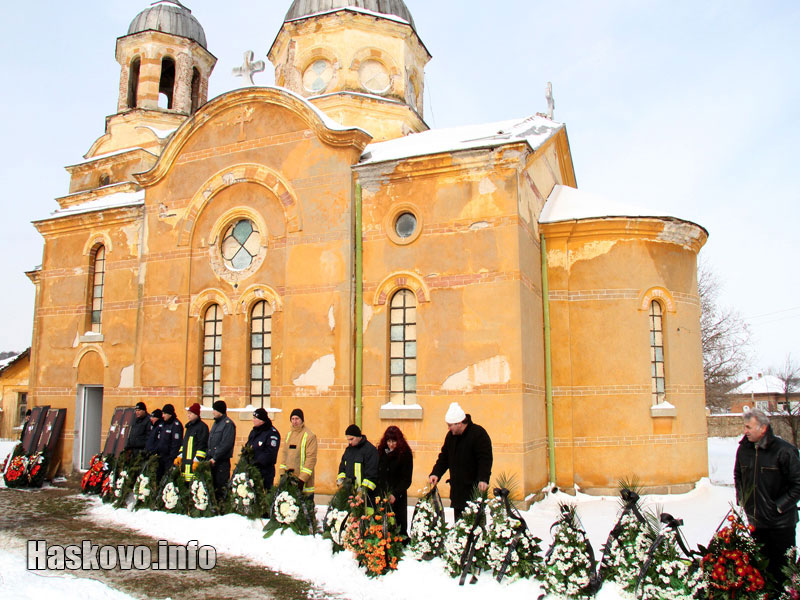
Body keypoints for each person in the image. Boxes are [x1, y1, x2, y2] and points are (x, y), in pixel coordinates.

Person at [734, 409, 800, 592]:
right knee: (759, 575)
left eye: (749, 427)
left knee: (782, 575)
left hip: (781, 525)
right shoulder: (744, 449)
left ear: (763, 428)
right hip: (756, 524)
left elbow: (798, 484)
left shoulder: (784, 451)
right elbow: (738, 475)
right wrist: (743, 499)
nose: (745, 431)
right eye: (745, 427)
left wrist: (778, 507)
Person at [429, 402, 493, 521]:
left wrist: (483, 479)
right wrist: (436, 473)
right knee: (459, 524)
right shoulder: (451, 436)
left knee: (475, 524)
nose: (448, 428)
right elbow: (444, 457)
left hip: (474, 490)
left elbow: (485, 459)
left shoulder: (478, 434)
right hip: (457, 492)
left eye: (450, 425)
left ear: (459, 423)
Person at [377, 425, 413, 538]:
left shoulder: (405, 454)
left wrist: (395, 494)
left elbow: (406, 479)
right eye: (389, 441)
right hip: (383, 495)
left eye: (394, 441)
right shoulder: (381, 452)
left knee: (398, 525)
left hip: (398, 495)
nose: (391, 444)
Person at [279, 408, 318, 500]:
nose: (294, 421)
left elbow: (311, 459)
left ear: (302, 420)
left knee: (305, 506)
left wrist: (302, 479)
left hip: (304, 483)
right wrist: (282, 473)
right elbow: (284, 455)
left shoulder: (309, 436)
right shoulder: (289, 435)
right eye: (292, 419)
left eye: (297, 419)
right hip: (289, 480)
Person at [337, 424, 379, 500]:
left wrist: (362, 491)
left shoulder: (370, 451)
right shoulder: (348, 451)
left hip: (366, 497)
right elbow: (342, 468)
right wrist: (341, 483)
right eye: (348, 440)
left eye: (351, 439)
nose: (350, 442)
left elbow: (372, 474)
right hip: (349, 494)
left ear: (358, 437)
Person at [207, 400, 236, 500]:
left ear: (220, 411)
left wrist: (215, 457)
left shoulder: (228, 424)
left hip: (221, 463)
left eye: (215, 410)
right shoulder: (216, 423)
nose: (213, 412)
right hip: (212, 461)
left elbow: (226, 444)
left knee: (221, 489)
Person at [247, 407, 281, 489]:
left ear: (261, 420)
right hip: (252, 470)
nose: (253, 420)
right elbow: (248, 446)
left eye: (255, 418)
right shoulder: (254, 432)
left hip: (265, 472)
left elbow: (270, 453)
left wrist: (256, 461)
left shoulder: (272, 433)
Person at [177, 403, 209, 482]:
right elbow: (184, 443)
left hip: (194, 463)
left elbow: (202, 445)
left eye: (190, 413)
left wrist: (198, 459)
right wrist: (180, 455)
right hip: (185, 463)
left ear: (196, 414)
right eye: (188, 413)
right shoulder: (189, 427)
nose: (188, 415)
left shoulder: (202, 427)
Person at [155, 403, 183, 482]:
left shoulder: (176, 425)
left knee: (168, 480)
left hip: (169, 459)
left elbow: (176, 444)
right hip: (161, 457)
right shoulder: (164, 424)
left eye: (164, 413)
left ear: (170, 414)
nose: (162, 415)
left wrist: (171, 458)